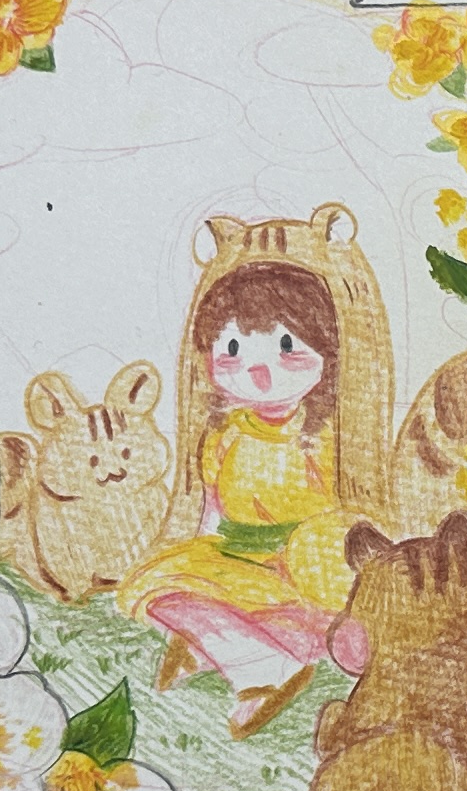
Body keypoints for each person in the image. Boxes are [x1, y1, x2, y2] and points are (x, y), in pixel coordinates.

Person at [113, 263, 361, 738]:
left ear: (325, 351)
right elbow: (213, 507)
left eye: (286, 346)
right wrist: (199, 561)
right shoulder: (225, 434)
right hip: (233, 556)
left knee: (306, 628)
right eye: (232, 350)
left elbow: (336, 513)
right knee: (158, 591)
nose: (259, 372)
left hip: (301, 568)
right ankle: (226, 647)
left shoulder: (324, 437)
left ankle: (256, 665)